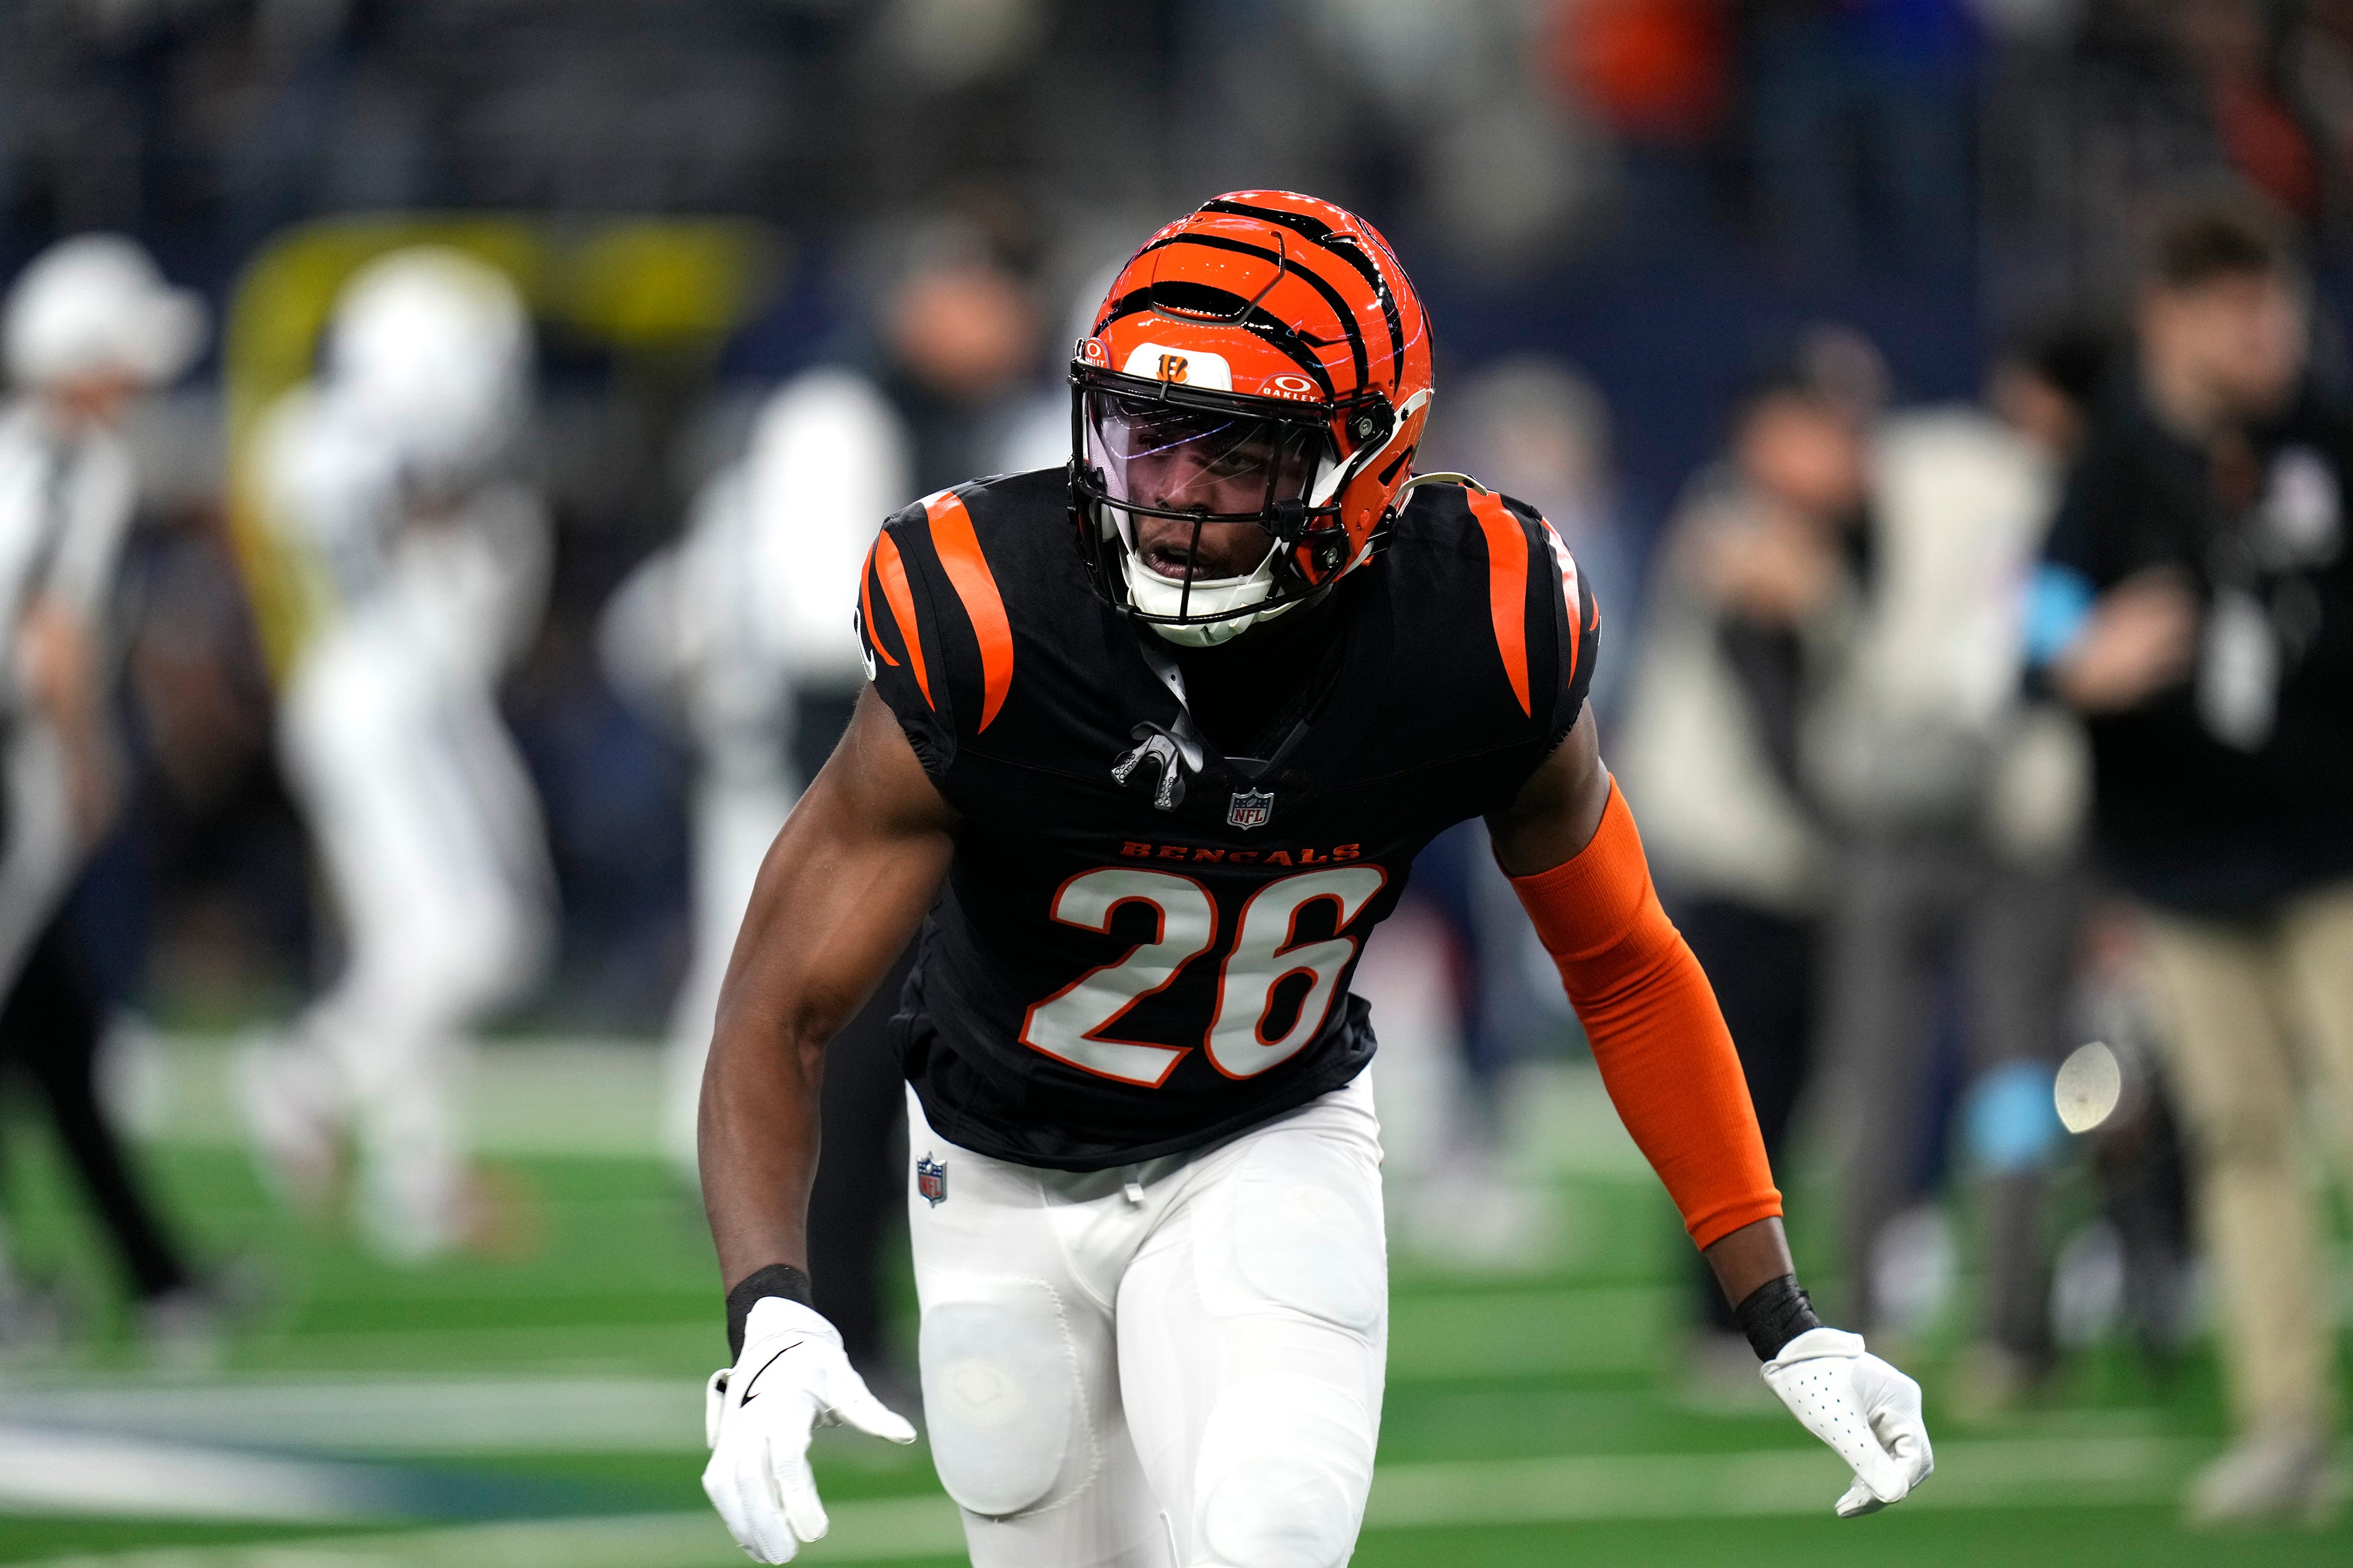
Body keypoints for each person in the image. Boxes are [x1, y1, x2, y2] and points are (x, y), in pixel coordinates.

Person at [694, 192, 1933, 1567]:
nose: (1172, 492)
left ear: (1366, 465)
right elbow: (777, 1003)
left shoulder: (1479, 623)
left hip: (1263, 1133)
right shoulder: (990, 611)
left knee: (1271, 1530)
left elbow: (1624, 964)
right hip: (993, 1166)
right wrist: (771, 1309)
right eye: (1145, 434)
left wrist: (1779, 1309)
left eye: (1234, 454)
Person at [2030, 197, 2353, 1523]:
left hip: (2333, 849)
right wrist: (2073, 658)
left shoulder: (2325, 433)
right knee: (2240, 1141)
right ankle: (2284, 1421)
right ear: (2168, 318)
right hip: (2183, 866)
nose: (2270, 332)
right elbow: (2037, 612)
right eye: (2240, 309)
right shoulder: (2110, 463)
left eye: (2276, 303)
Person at [237, 248, 555, 1263]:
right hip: (387, 697)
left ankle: (413, 1180)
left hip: (384, 694)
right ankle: (305, 1078)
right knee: (479, 940)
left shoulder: (307, 436)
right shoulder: (345, 443)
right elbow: (414, 505)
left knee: (411, 945)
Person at [1807, 329, 2104, 1397]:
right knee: (2014, 1074)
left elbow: (1847, 628)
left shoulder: (1917, 466)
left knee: (1878, 1075)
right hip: (2015, 812)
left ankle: (1857, 1327)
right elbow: (2052, 648)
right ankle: (2012, 1325)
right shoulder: (2052, 489)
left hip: (1900, 802)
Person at [1613, 359, 1871, 1377]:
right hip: (1735, 853)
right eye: (1822, 425)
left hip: (1783, 857)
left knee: (1788, 1093)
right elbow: (1779, 713)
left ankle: (1763, 1305)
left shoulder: (1805, 529)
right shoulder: (1734, 524)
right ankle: (1727, 1318)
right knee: (1739, 1097)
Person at [0, 235, 209, 1346]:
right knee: (45, 1026)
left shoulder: (17, 447)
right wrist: (89, 763)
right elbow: (54, 641)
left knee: (58, 1033)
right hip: (11, 770)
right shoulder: (80, 463)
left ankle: (161, 1275)